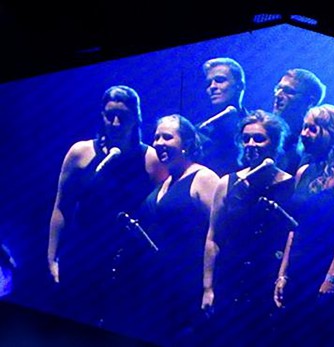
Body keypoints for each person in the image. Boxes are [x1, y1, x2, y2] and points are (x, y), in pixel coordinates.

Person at [46, 85, 168, 330]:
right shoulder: (80, 153)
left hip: (127, 259)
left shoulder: (150, 158)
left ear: (136, 118)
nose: (114, 123)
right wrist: (52, 257)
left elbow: (163, 209)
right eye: (109, 115)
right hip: (82, 253)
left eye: (121, 117)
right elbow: (62, 207)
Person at [202, 110, 295, 347]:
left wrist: (282, 276)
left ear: (274, 143)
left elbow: (290, 238)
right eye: (246, 138)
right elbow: (213, 238)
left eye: (259, 138)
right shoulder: (228, 183)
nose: (251, 144)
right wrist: (208, 287)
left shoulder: (290, 185)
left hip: (267, 280)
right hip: (231, 279)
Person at [274, 104, 334, 347]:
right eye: (304, 128)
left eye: (313, 129)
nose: (304, 134)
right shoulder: (303, 172)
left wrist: (332, 277)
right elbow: (295, 226)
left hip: (325, 267)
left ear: (332, 132)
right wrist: (283, 273)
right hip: (301, 267)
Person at [128, 114, 219, 346]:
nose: (158, 142)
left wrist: (209, 285)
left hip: (188, 283)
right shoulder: (166, 181)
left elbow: (220, 231)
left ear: (187, 144)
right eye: (156, 137)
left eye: (167, 137)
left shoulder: (203, 178)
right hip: (158, 283)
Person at [197, 57, 250, 176]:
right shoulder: (200, 131)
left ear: (239, 86)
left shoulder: (257, 125)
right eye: (208, 83)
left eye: (219, 80)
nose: (212, 87)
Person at [272, 68, 326, 174]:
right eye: (278, 88)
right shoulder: (265, 131)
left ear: (310, 102)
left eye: (288, 91)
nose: (278, 95)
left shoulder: (314, 143)